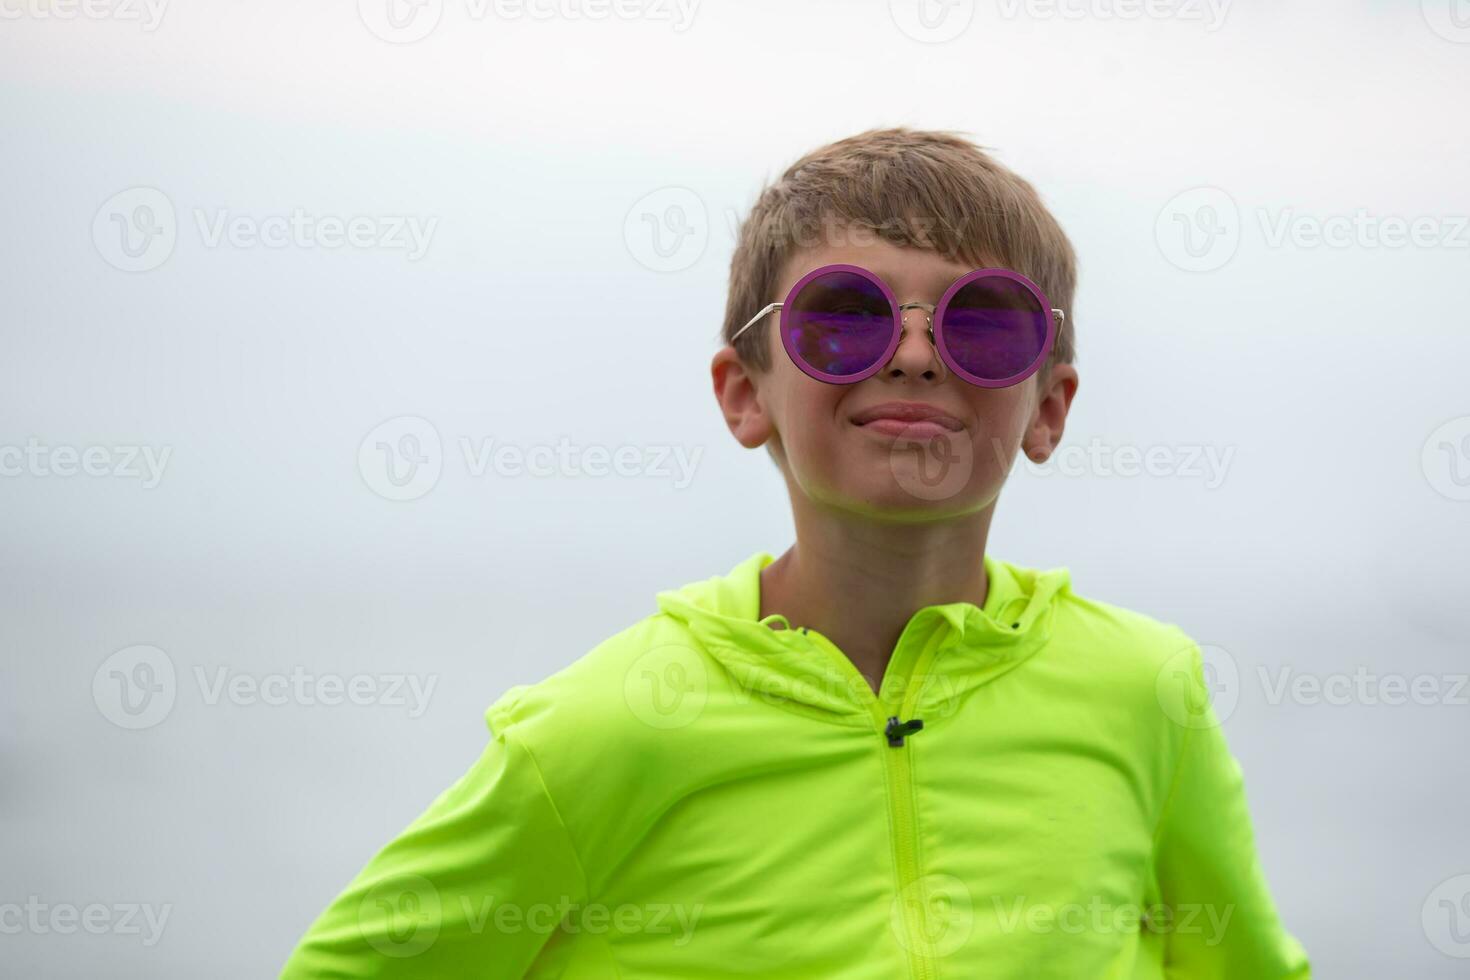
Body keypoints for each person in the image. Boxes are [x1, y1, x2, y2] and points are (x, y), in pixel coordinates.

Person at [280, 127, 1311, 978]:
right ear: (744, 392)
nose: (912, 353)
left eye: (983, 324)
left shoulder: (1146, 695)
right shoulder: (602, 730)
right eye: (844, 319)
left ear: (1050, 405)